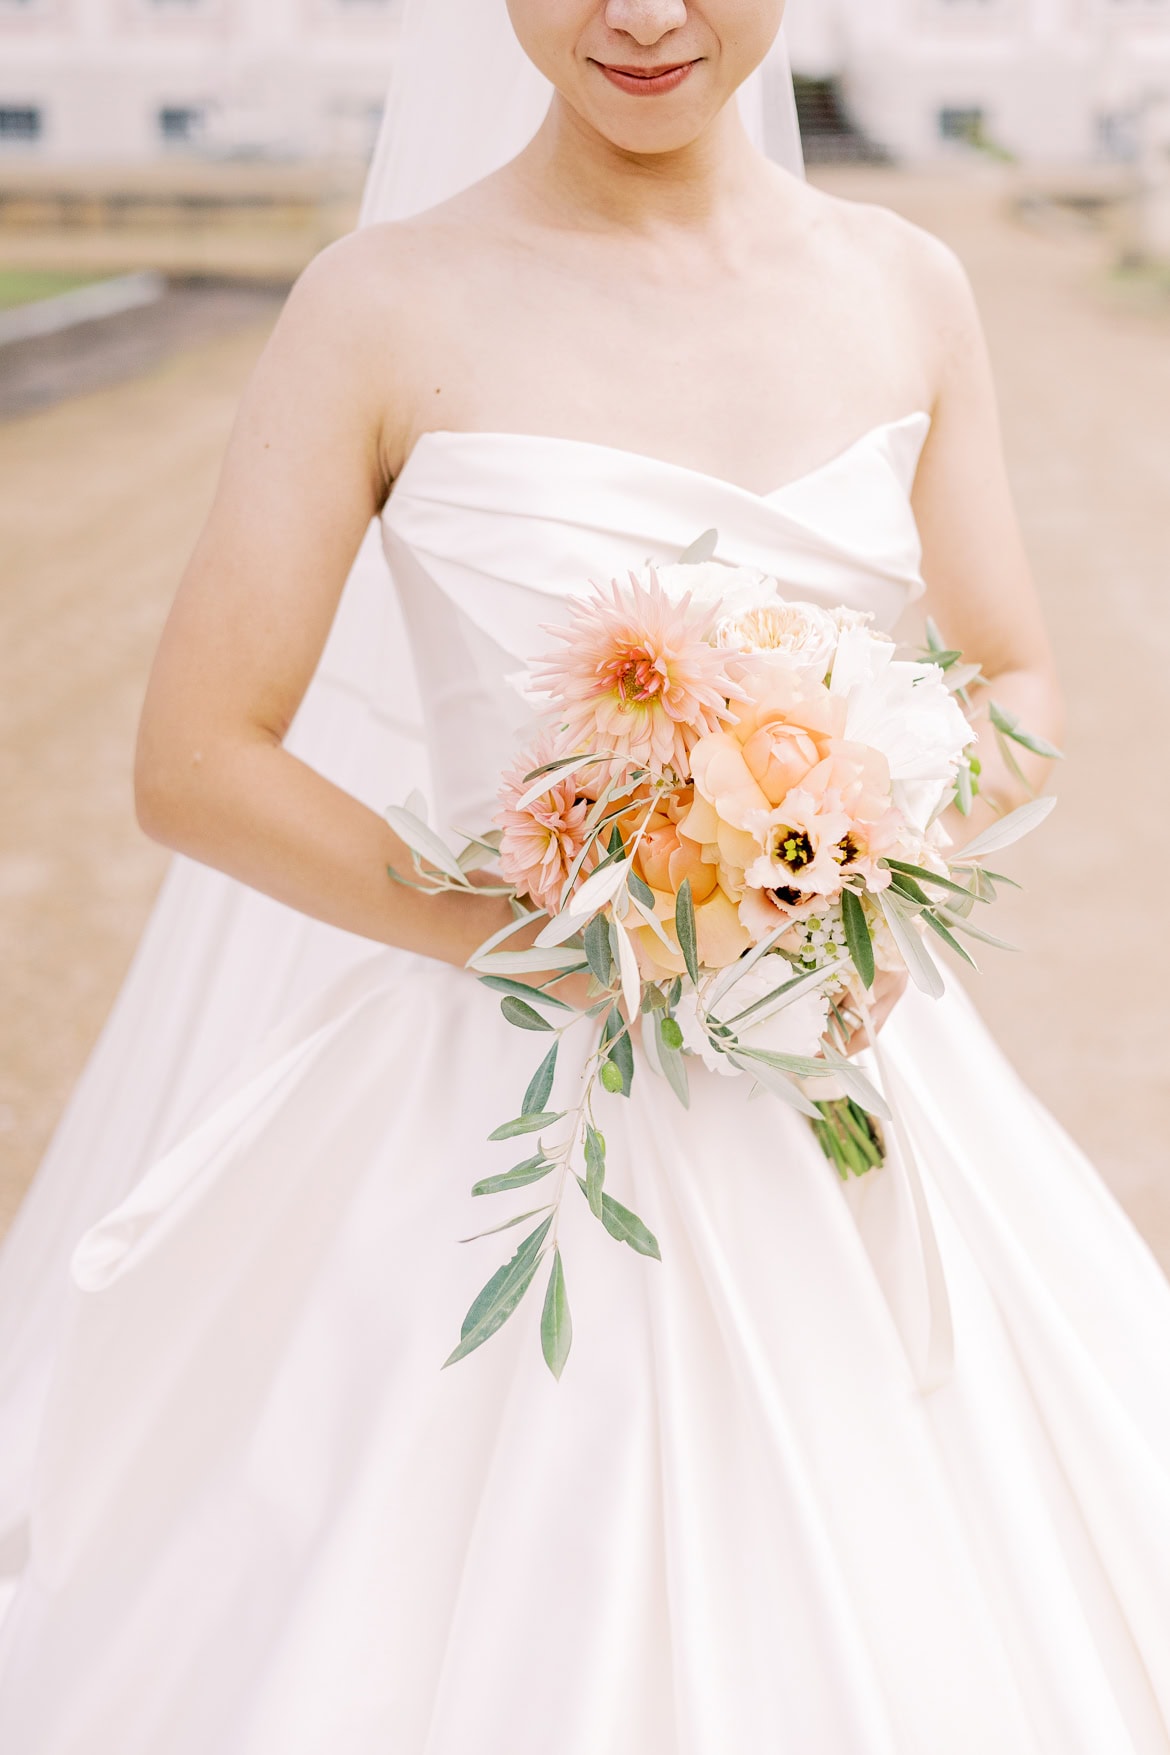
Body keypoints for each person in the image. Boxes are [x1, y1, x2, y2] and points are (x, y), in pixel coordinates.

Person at [2, 2, 1170, 1749]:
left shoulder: (907, 284)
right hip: (502, 1094)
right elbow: (198, 759)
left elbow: (1016, 684)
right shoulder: (381, 305)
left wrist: (847, 850)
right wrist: (528, 926)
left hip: (838, 1057)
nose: (639, 17)